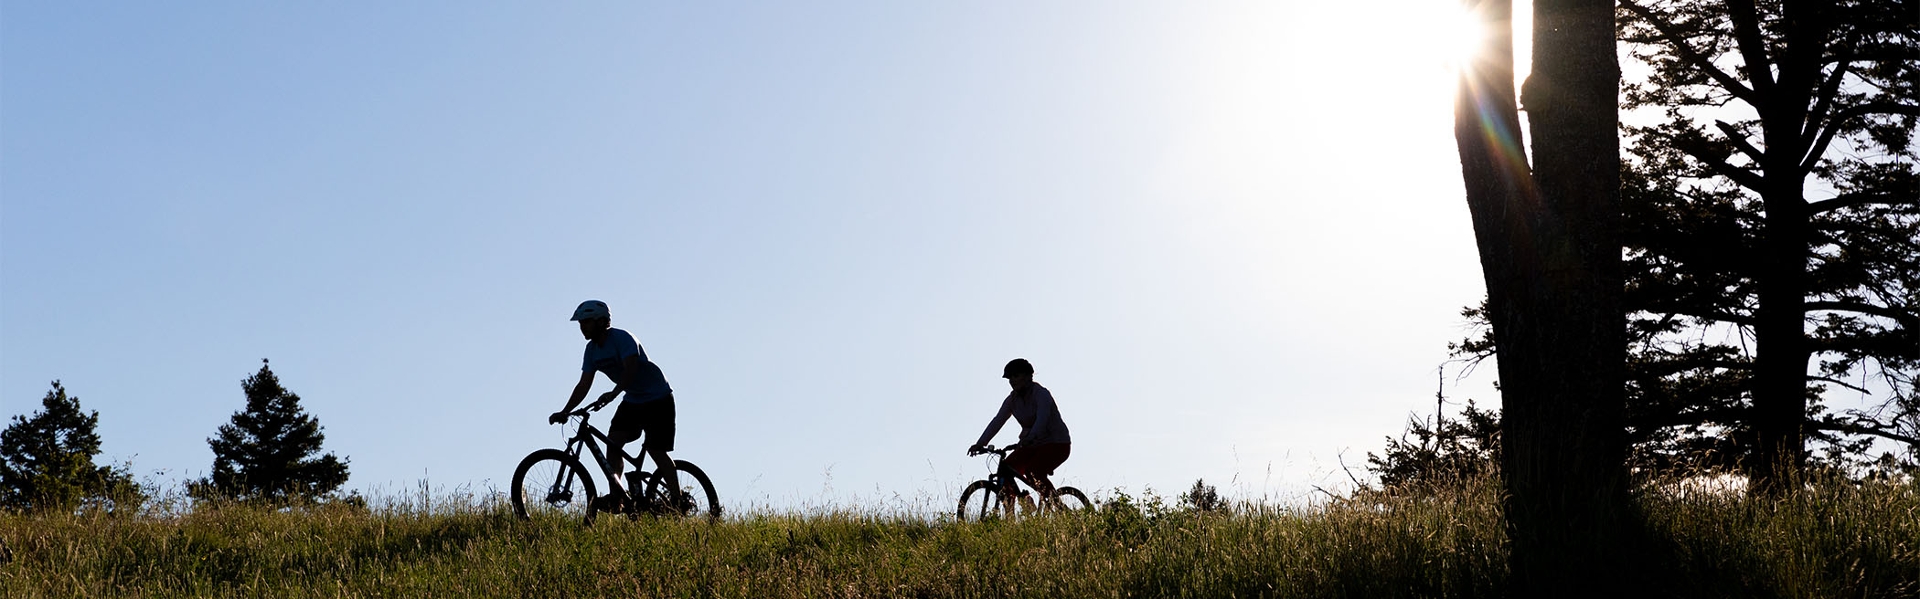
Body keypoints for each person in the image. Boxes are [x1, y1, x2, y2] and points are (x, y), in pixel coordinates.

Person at [548, 300, 679, 512]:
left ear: (601, 322)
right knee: (613, 443)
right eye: (581, 323)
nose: (582, 327)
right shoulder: (591, 350)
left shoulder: (623, 338)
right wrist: (565, 411)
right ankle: (617, 498)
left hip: (658, 398)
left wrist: (613, 393)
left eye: (587, 322)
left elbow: (631, 369)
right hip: (633, 400)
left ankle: (677, 501)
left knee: (656, 450)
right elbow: (584, 384)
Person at [968, 358, 1072, 501]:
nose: (1012, 381)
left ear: (1029, 376)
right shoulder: (1012, 400)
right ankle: (1014, 511)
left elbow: (1042, 418)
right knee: (1006, 470)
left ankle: (1059, 509)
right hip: (1031, 444)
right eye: (1009, 378)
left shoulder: (1041, 394)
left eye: (1016, 376)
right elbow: (998, 420)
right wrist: (980, 443)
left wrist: (1031, 436)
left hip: (1056, 443)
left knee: (1033, 471)